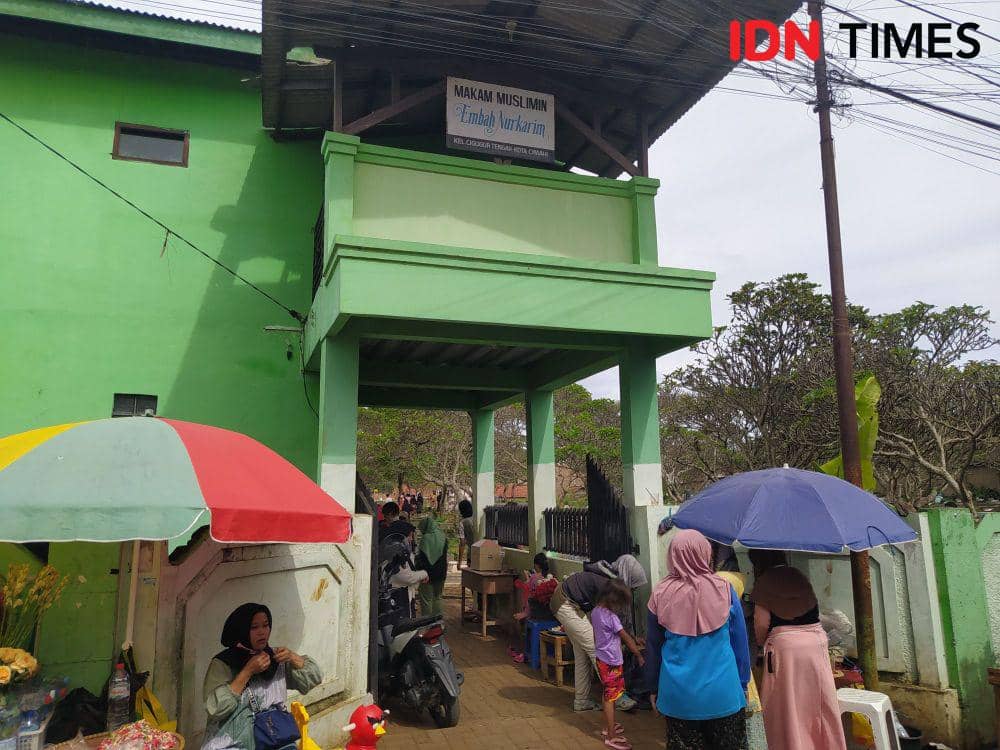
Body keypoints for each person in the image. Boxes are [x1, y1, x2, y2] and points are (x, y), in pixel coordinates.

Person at [645, 529, 750, 750]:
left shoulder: (659, 593)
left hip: (678, 696)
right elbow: (740, 642)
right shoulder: (725, 590)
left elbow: (653, 647)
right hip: (724, 693)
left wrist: (653, 687)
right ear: (706, 553)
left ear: (672, 555)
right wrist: (743, 684)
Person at [749, 550, 846, 750]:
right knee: (817, 704)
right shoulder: (799, 576)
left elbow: (761, 624)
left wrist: (761, 644)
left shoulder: (764, 583)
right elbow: (813, 608)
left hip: (786, 650)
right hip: (816, 644)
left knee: (787, 707)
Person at [201, 603, 322, 750]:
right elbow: (215, 709)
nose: (262, 632)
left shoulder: (275, 658)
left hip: (275, 738)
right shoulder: (223, 663)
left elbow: (314, 678)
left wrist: (292, 656)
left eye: (265, 625)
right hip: (233, 744)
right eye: (254, 627)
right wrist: (247, 671)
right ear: (242, 629)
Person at [549, 554, 647, 712]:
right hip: (567, 605)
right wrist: (628, 640)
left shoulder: (609, 578)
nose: (633, 590)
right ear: (627, 577)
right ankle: (618, 696)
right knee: (597, 651)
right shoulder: (608, 585)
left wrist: (632, 637)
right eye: (633, 586)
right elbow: (611, 621)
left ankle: (581, 701)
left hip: (566, 603)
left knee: (582, 655)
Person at [592, 580, 645, 750]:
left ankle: (609, 726)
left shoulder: (595, 612)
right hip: (612, 662)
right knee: (610, 697)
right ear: (613, 600)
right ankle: (611, 736)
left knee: (608, 694)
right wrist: (638, 654)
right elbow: (626, 638)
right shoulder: (611, 617)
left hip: (601, 658)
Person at [414, 514, 448, 616]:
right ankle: (437, 622)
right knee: (438, 597)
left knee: (426, 599)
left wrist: (418, 571)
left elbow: (423, 558)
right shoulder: (443, 537)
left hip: (427, 573)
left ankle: (427, 624)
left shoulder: (425, 538)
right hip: (441, 572)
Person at [457, 499, 476, 568]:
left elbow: (462, 543)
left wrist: (459, 562)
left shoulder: (462, 523)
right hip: (485, 552)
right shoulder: (476, 518)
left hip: (472, 555)